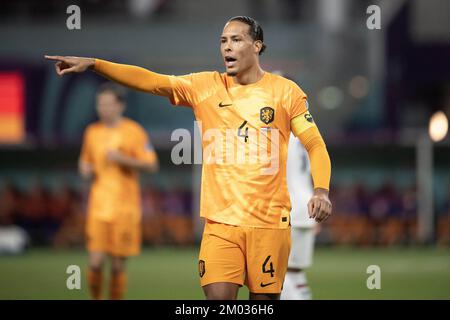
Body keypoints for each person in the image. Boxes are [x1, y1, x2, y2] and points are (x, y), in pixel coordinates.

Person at [45, 15, 332, 300]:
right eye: (223, 41)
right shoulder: (204, 86)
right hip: (220, 225)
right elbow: (152, 81)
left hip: (269, 224)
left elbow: (314, 144)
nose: (227, 47)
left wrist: (321, 190)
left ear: (256, 46)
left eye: (236, 40)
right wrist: (96, 65)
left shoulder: (285, 92)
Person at [79, 82, 159, 300]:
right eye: (100, 104)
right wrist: (85, 169)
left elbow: (152, 165)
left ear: (120, 106)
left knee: (116, 267)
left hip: (126, 209)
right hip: (98, 208)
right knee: (95, 263)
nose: (103, 108)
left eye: (108, 104)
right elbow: (85, 162)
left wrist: (122, 159)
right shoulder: (91, 132)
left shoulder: (134, 131)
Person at [281, 133, 318, 300]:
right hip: (307, 206)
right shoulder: (305, 134)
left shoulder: (279, 131)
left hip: (288, 209)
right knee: (295, 272)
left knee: (277, 273)